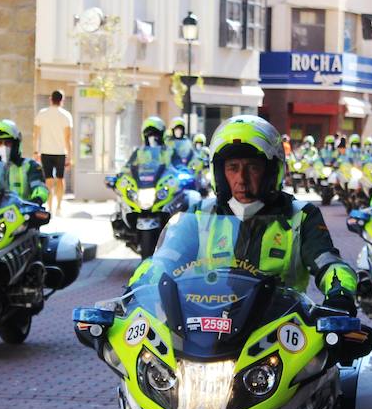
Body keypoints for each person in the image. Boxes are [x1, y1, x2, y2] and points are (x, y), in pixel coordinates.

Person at [129, 114, 358, 310]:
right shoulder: (201, 215)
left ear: (271, 172)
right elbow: (164, 260)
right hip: (207, 326)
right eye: (233, 168)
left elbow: (329, 263)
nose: (241, 179)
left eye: (253, 168)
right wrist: (135, 290)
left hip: (283, 331)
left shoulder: (300, 215)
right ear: (220, 173)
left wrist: (340, 293)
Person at [0, 119, 47, 205]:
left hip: (23, 213)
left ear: (15, 144)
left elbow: (39, 187)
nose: (4, 147)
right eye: (0, 143)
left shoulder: (30, 166)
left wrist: (38, 198)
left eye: (8, 143)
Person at [33, 90, 73, 216]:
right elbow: (68, 138)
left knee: (48, 180)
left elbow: (36, 135)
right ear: (62, 100)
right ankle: (59, 207)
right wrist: (69, 157)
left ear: (50, 99)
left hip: (45, 151)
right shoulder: (66, 115)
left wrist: (35, 151)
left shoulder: (42, 114)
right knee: (60, 179)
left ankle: (50, 207)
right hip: (61, 152)